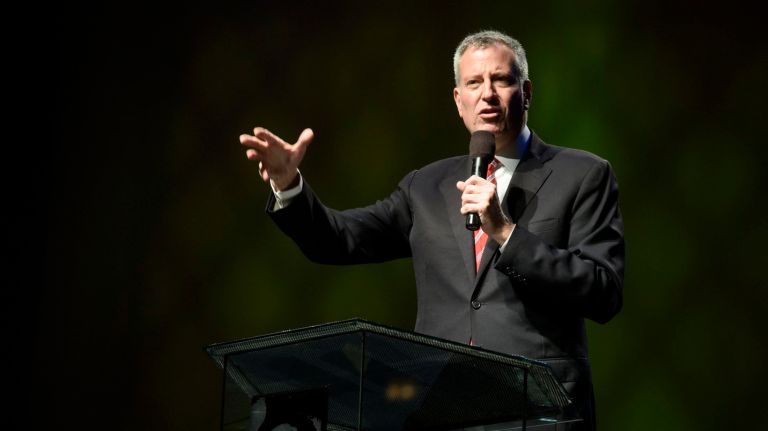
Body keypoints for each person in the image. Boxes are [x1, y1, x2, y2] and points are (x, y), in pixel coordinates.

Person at [239, 30, 624, 431]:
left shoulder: (582, 174)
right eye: (474, 83)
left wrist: (506, 232)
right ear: (458, 101)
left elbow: (602, 290)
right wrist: (289, 185)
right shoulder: (426, 185)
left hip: (539, 411)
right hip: (442, 409)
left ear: (526, 92)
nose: (487, 94)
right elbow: (339, 239)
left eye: (501, 80)